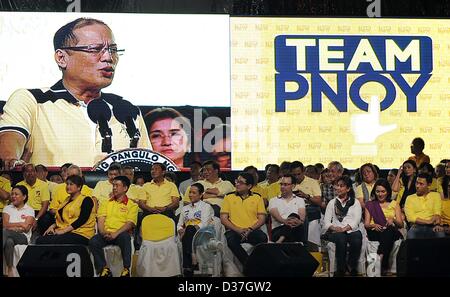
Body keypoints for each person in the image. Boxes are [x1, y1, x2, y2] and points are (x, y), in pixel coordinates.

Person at [0, 17, 150, 169]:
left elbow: (150, 168)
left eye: (113, 50)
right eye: (95, 49)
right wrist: (11, 159)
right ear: (61, 58)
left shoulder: (126, 109)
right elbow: (9, 147)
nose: (108, 58)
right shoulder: (32, 101)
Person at [89, 176, 138, 277]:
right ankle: (104, 269)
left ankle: (126, 269)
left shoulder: (132, 205)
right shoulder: (106, 203)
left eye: (117, 185)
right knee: (93, 241)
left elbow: (130, 223)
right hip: (106, 234)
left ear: (125, 188)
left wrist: (115, 233)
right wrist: (103, 232)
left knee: (125, 237)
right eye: (113, 185)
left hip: (120, 234)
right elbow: (101, 220)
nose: (114, 188)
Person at [220, 172, 267, 267]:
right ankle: (249, 265)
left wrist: (250, 229)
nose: (237, 184)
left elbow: (262, 219)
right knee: (231, 241)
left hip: (252, 230)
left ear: (249, 186)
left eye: (241, 182)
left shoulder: (257, 197)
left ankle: (260, 265)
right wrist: (238, 229)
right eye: (237, 181)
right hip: (234, 230)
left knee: (263, 238)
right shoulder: (229, 197)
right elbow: (223, 219)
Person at [36, 175, 96, 245]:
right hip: (68, 231)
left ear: (79, 187)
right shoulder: (67, 200)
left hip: (82, 233)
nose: (68, 186)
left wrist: (63, 231)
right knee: (40, 240)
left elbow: (82, 219)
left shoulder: (86, 200)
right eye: (67, 184)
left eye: (71, 184)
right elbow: (63, 218)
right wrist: (52, 226)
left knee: (45, 241)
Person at [323, 176, 362, 277]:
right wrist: (335, 228)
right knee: (341, 238)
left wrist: (345, 228)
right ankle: (341, 268)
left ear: (348, 189)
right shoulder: (332, 203)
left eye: (341, 186)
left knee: (357, 238)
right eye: (337, 186)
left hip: (351, 230)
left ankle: (351, 266)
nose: (338, 188)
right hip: (336, 231)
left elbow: (357, 220)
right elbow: (326, 222)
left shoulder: (355, 202)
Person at [364, 179, 403, 275]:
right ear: (374, 192)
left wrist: (392, 219)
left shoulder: (394, 204)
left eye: (383, 191)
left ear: (387, 192)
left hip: (390, 230)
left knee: (388, 231)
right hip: (375, 231)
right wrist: (373, 225)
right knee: (386, 233)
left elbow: (401, 224)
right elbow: (366, 224)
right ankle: (383, 261)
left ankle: (380, 256)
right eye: (377, 191)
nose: (380, 194)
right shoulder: (370, 204)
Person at [177, 183, 214, 276]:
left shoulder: (206, 207)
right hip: (186, 235)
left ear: (201, 195)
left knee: (189, 228)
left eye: (194, 193)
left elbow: (204, 223)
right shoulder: (185, 208)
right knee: (188, 230)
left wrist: (187, 230)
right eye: (190, 192)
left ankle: (187, 265)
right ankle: (193, 261)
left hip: (201, 233)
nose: (190, 195)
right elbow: (179, 224)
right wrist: (181, 230)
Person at [2, 185, 35, 277]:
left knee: (5, 232)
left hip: (23, 238)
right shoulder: (7, 208)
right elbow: (5, 225)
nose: (13, 196)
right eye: (12, 194)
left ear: (24, 197)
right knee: (8, 241)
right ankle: (9, 270)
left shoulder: (29, 210)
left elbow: (26, 229)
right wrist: (20, 223)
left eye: (16, 194)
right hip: (9, 235)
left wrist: (11, 227)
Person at [404, 173, 445, 239]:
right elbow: (411, 217)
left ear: (429, 185)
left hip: (433, 225)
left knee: (440, 235)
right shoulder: (410, 198)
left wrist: (437, 224)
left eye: (421, 184)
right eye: (416, 183)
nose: (417, 186)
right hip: (416, 226)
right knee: (411, 235)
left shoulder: (436, 195)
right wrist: (428, 221)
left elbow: (437, 213)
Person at [268, 174, 305, 243]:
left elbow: (301, 218)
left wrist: (297, 222)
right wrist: (285, 222)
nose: (282, 187)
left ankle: (280, 241)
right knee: (289, 225)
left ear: (293, 186)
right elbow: (276, 216)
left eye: (285, 184)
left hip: (295, 229)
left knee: (295, 217)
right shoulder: (273, 200)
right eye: (281, 184)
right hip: (278, 230)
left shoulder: (300, 200)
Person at [16, 164, 51, 235]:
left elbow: (45, 205)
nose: (30, 173)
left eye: (32, 171)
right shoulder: (19, 185)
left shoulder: (43, 185)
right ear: (23, 174)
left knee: (47, 218)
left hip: (38, 212)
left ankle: (42, 239)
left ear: (36, 173)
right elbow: (16, 203)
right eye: (27, 171)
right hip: (24, 211)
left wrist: (36, 219)